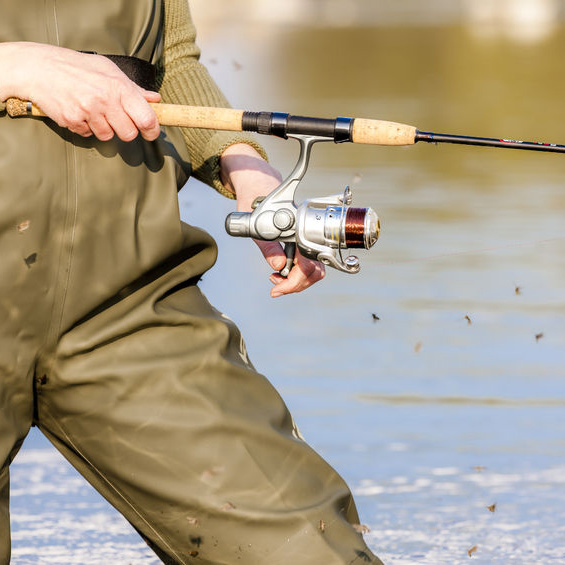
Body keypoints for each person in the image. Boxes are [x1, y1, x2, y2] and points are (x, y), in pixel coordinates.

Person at [0, 1, 383, 563]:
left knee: (309, 548)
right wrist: (15, 65)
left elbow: (167, 62)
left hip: (128, 299)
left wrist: (247, 170)